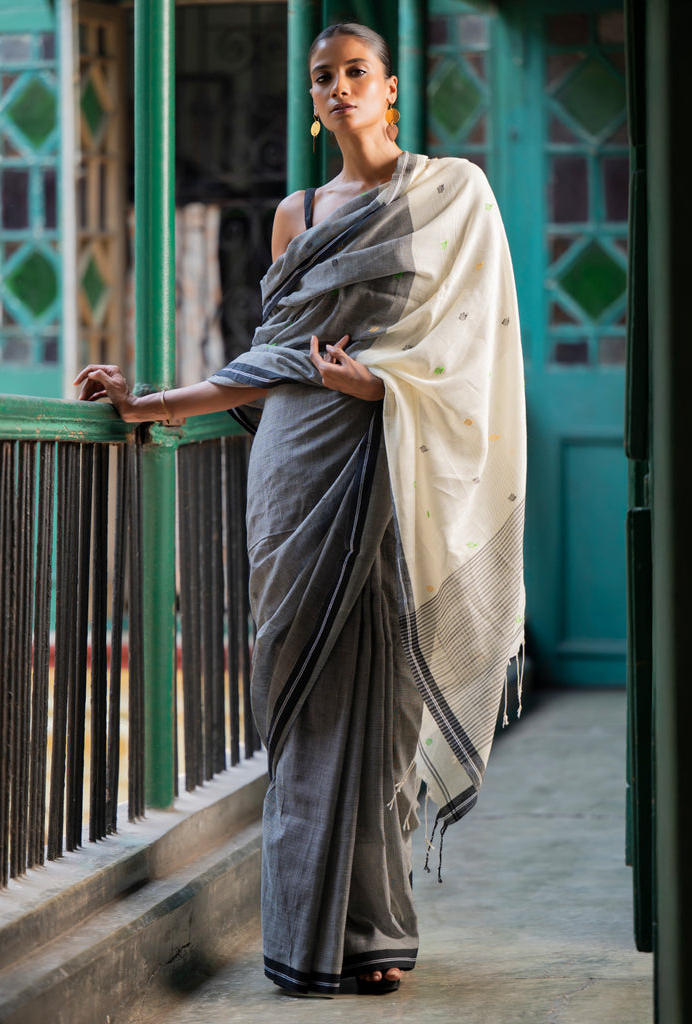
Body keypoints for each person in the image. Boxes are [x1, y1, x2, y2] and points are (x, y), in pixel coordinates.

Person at [75, 22, 526, 997]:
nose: (336, 89)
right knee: (302, 700)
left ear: (389, 85)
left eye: (353, 72)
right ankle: (301, 938)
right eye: (321, 78)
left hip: (390, 466)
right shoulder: (296, 213)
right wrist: (140, 400)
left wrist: (381, 391)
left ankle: (373, 933)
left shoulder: (449, 195)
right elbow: (269, 360)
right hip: (291, 473)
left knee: (384, 704)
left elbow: (472, 361)